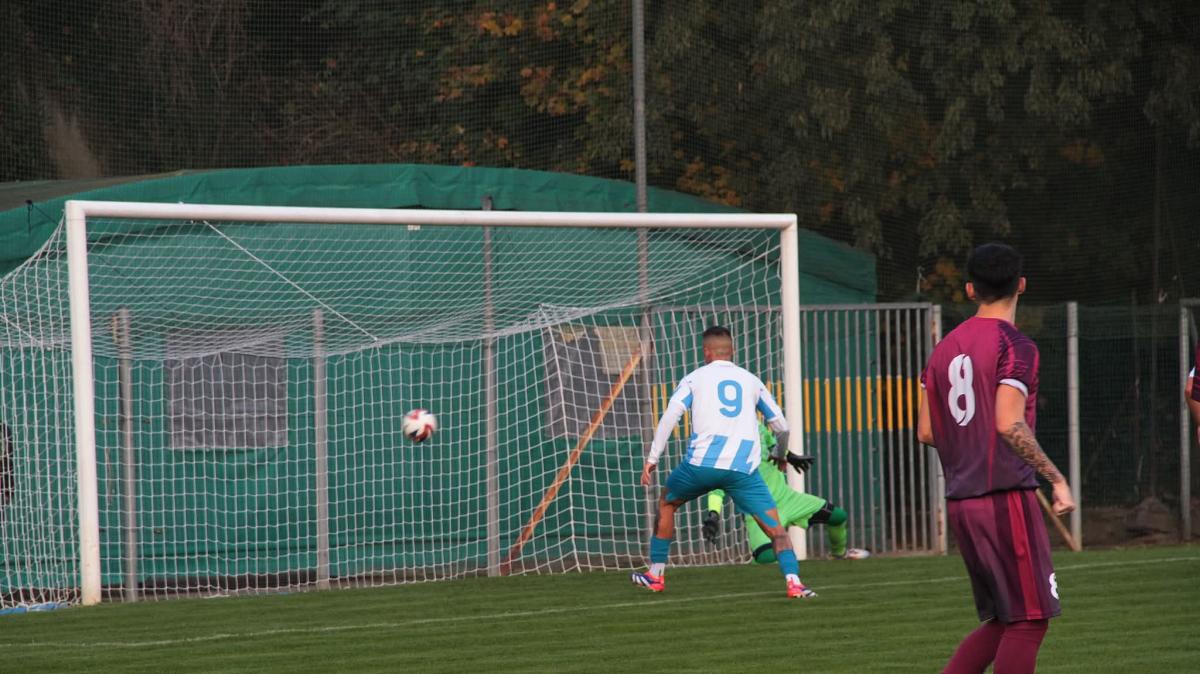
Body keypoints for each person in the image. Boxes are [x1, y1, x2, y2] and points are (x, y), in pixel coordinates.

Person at [917, 243, 1076, 674]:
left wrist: (968, 446)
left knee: (1002, 620)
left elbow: (927, 431)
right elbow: (1009, 424)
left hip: (962, 502)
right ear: (1021, 285)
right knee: (1028, 621)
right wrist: (1056, 478)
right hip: (1004, 498)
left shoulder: (942, 349)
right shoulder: (1015, 345)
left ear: (970, 289)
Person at [632, 325, 816, 599]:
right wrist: (779, 454)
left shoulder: (694, 379)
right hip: (743, 471)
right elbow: (782, 427)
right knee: (776, 529)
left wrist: (652, 458)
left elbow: (670, 417)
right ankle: (794, 583)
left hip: (700, 468)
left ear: (705, 351)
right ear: (732, 351)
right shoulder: (751, 380)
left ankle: (656, 575)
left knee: (667, 503)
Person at [701, 421, 870, 561]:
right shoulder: (721, 445)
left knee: (838, 516)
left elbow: (773, 446)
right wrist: (713, 513)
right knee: (767, 559)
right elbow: (717, 488)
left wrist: (790, 456)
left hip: (788, 499)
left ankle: (839, 555)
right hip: (760, 512)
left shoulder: (756, 425)